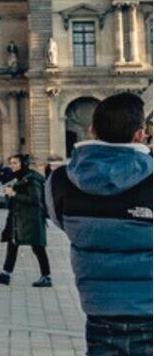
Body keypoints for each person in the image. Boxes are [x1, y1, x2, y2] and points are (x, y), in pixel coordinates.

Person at [47, 91, 151, 356]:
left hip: (98, 308)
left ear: (92, 130)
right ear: (140, 134)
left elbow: (61, 222)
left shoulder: (60, 180)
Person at [0, 153, 50, 287]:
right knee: (12, 244)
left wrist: (14, 194)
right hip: (19, 218)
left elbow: (35, 200)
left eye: (15, 163)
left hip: (31, 219)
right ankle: (5, 274)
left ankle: (46, 277)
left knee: (38, 247)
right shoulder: (21, 178)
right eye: (11, 163)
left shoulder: (32, 179)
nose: (12, 166)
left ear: (23, 164)